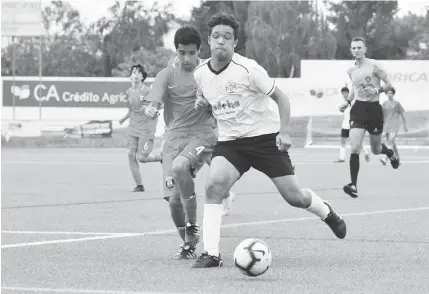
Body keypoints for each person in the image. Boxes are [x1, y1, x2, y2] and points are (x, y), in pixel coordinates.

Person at [191, 13, 346, 268]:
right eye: (216, 36)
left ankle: (326, 212)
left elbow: (282, 98)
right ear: (209, 40)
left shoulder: (249, 69)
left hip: (265, 140)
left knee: (295, 197)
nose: (221, 41)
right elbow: (210, 104)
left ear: (235, 42)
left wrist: (285, 132)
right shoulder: (200, 74)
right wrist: (203, 105)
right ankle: (211, 253)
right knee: (214, 186)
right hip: (231, 143)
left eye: (227, 37)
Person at [144, 26, 235, 259]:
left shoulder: (208, 71)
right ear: (176, 51)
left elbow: (225, 101)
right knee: (174, 202)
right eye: (182, 52)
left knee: (180, 167)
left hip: (203, 134)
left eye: (191, 53)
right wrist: (151, 108)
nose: (186, 58)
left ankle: (194, 222)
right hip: (174, 138)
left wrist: (207, 103)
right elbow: (153, 100)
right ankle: (188, 241)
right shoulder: (166, 75)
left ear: (199, 51)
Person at [339, 37, 400, 198]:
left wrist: (378, 91)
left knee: (375, 149)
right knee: (355, 148)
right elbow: (354, 89)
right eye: (353, 48)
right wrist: (347, 102)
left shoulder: (374, 65)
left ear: (365, 49)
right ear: (351, 50)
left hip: (374, 110)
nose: (356, 50)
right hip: (358, 109)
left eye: (359, 47)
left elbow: (389, 84)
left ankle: (389, 153)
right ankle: (353, 185)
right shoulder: (351, 70)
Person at [119, 64, 162, 192]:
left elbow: (157, 105)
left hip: (146, 128)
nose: (136, 74)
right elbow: (131, 109)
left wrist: (155, 111)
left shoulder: (148, 91)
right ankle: (139, 185)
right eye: (134, 72)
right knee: (131, 154)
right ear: (130, 76)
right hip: (133, 127)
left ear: (143, 77)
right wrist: (123, 119)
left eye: (139, 73)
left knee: (142, 158)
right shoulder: (128, 92)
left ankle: (161, 157)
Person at [335, 86, 370, 163]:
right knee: (343, 141)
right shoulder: (342, 103)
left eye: (346, 93)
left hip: (353, 125)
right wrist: (341, 108)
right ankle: (342, 158)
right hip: (345, 125)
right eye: (343, 93)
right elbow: (342, 110)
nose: (344, 94)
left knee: (356, 142)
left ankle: (366, 152)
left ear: (349, 94)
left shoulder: (353, 102)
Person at [380, 88, 408, 165]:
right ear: (386, 94)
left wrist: (405, 125)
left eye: (391, 93)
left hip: (394, 126)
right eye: (388, 93)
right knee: (392, 144)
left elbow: (402, 114)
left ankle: (385, 159)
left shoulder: (397, 103)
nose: (389, 94)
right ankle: (398, 159)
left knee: (390, 142)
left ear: (393, 94)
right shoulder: (384, 103)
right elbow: (381, 115)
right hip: (386, 126)